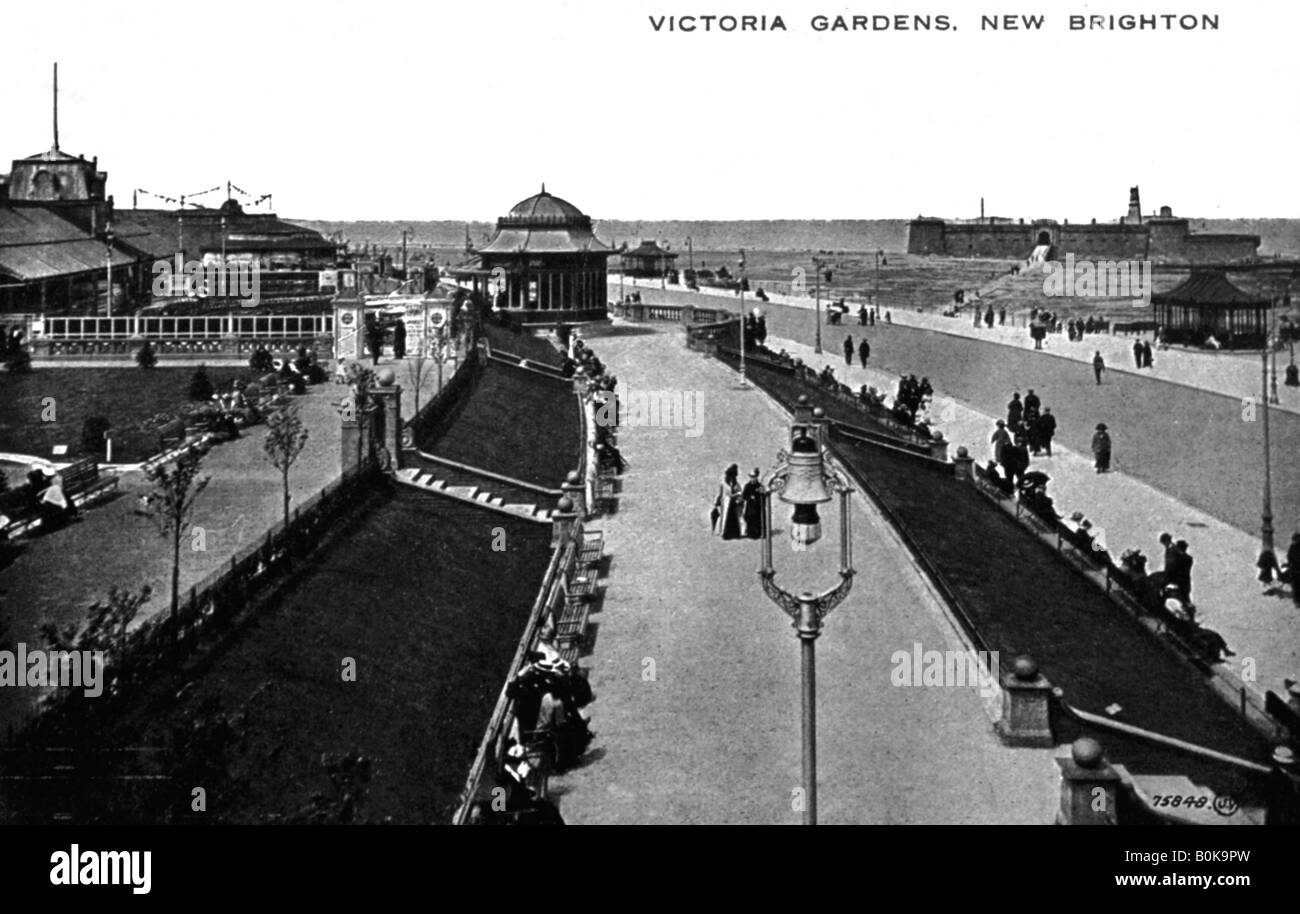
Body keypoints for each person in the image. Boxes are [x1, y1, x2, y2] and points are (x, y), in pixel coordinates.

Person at [713, 464, 743, 540]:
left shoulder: (736, 484)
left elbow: (740, 493)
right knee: (725, 519)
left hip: (733, 504)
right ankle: (725, 533)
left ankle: (735, 534)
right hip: (726, 504)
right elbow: (719, 493)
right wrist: (716, 502)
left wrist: (739, 499)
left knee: (734, 519)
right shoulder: (723, 484)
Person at [741, 469, 765, 540]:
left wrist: (758, 496)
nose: (752, 478)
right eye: (751, 477)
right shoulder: (747, 486)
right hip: (750, 507)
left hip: (758, 507)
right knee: (749, 519)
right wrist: (750, 497)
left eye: (754, 477)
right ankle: (750, 533)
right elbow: (744, 496)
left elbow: (763, 496)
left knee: (757, 520)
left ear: (757, 477)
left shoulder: (760, 486)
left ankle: (759, 533)